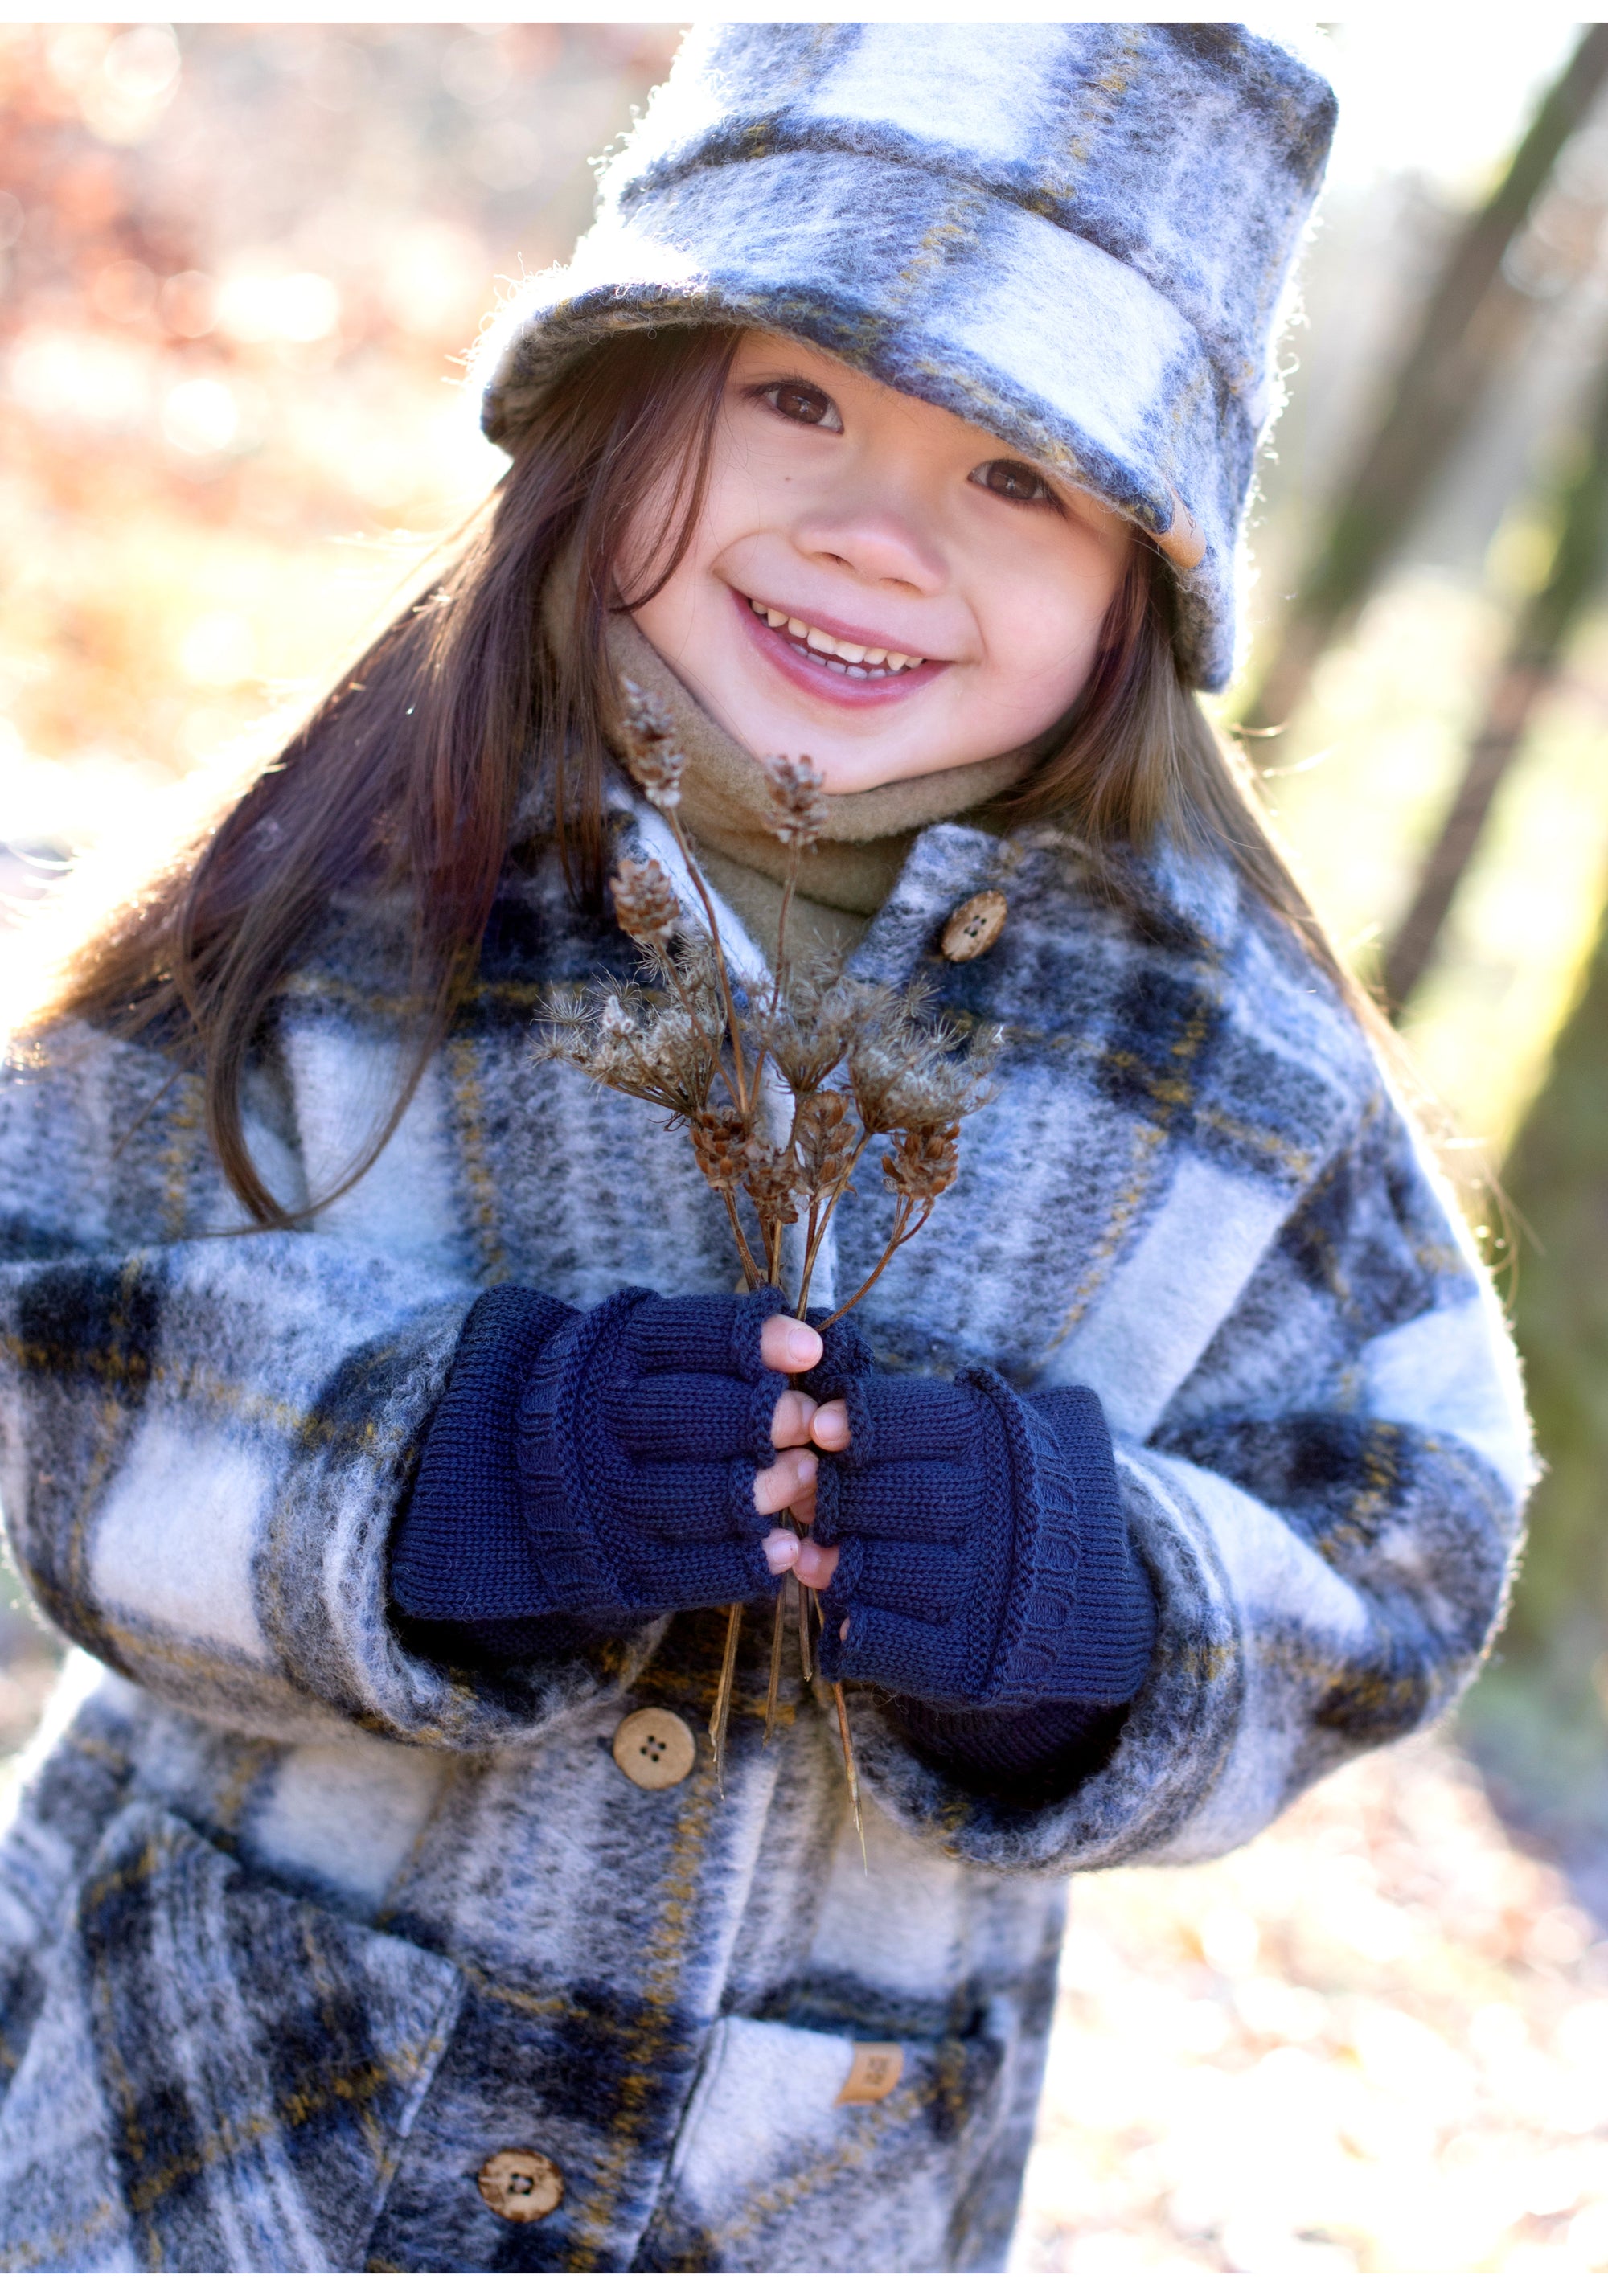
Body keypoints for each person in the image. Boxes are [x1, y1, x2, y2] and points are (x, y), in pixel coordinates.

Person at [0, 23, 1531, 2275]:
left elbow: (1403, 1529)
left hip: (797, 2192)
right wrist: (431, 1480)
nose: (880, 532)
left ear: (1146, 570)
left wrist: (1092, 1614)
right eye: (794, 393)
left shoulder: (1231, 1053)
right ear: (623, 393)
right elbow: (51, 1330)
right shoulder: (345, 881)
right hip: (201, 2132)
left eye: (1023, 473)